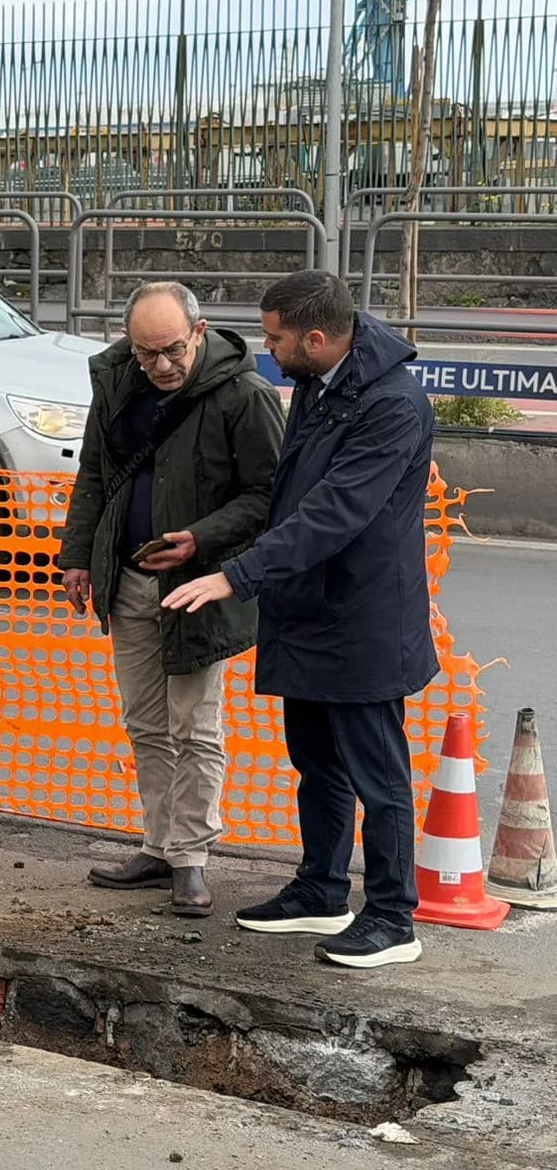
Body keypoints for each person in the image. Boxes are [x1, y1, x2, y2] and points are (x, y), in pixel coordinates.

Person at [164, 270, 438, 969]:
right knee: (316, 765)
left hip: (362, 618)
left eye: (276, 337)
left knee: (379, 777)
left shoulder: (393, 403)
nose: (267, 347)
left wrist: (236, 574)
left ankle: (391, 915)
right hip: (309, 609)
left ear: (316, 338)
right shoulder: (325, 380)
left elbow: (335, 512)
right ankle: (320, 888)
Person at [56, 281, 283, 917]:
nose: (159, 366)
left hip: (200, 589)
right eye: (145, 353)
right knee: (147, 724)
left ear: (200, 331)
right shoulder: (118, 384)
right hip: (128, 580)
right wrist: (78, 558)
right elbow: (95, 477)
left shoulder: (245, 396)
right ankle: (159, 845)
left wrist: (197, 540)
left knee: (195, 725)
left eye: (171, 351)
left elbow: (269, 497)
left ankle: (192, 857)